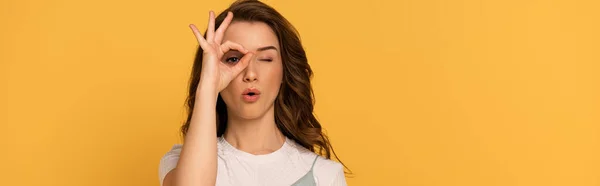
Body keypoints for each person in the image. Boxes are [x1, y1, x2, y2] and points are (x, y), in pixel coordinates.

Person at [158, 0, 349, 185]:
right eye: (233, 59)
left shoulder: (323, 175)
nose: (250, 74)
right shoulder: (181, 163)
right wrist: (208, 85)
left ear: (284, 71)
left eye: (266, 59)